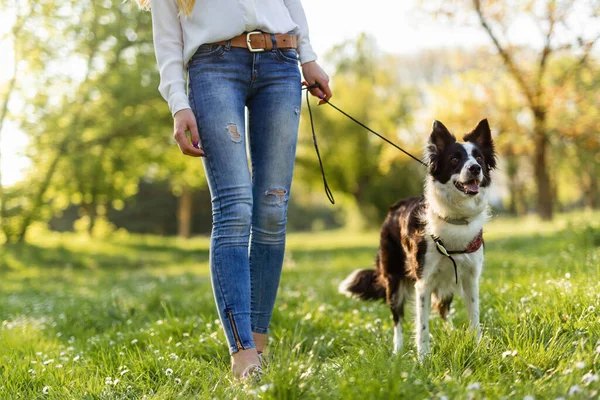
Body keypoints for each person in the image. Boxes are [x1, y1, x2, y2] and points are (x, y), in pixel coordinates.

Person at [140, 0, 332, 379]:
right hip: (213, 68)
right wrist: (179, 105)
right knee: (235, 207)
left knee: (273, 211)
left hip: (281, 62)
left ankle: (258, 346)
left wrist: (307, 55)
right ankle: (242, 353)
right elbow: (166, 41)